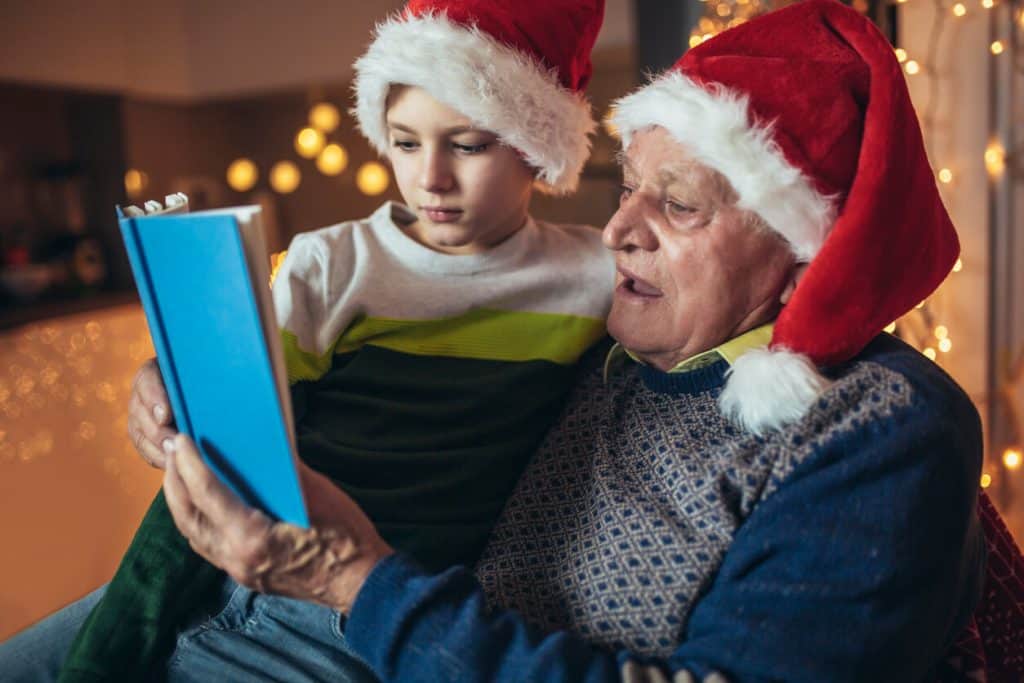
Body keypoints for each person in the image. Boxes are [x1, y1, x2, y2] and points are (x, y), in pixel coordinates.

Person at [123, 1, 988, 681]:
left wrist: (358, 580)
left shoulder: (877, 427)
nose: (616, 231)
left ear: (809, 257)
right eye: (627, 189)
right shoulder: (605, 343)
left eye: (677, 204)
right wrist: (185, 378)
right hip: (290, 616)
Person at [0, 1, 610, 680]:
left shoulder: (595, 276)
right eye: (405, 142)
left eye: (467, 145)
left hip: (358, 615)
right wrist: (106, 652)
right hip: (235, 567)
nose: (430, 177)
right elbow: (216, 461)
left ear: (536, 144)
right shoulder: (331, 263)